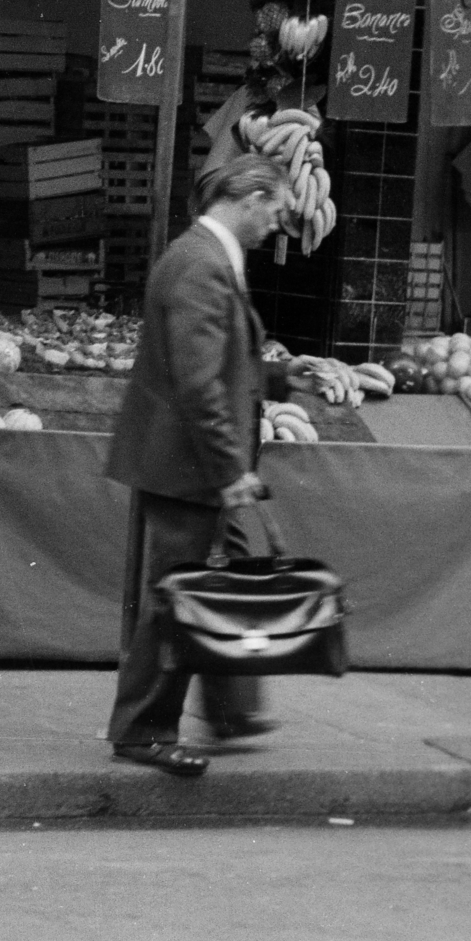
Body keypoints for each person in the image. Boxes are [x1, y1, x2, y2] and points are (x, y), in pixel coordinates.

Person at [106, 154, 311, 777]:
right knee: (178, 596)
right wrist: (230, 469)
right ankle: (142, 730)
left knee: (214, 581)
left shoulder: (207, 258)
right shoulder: (201, 265)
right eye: (276, 210)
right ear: (248, 198)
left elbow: (216, 363)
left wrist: (278, 375)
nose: (278, 223)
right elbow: (197, 385)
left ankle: (229, 709)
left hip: (191, 462)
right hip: (190, 465)